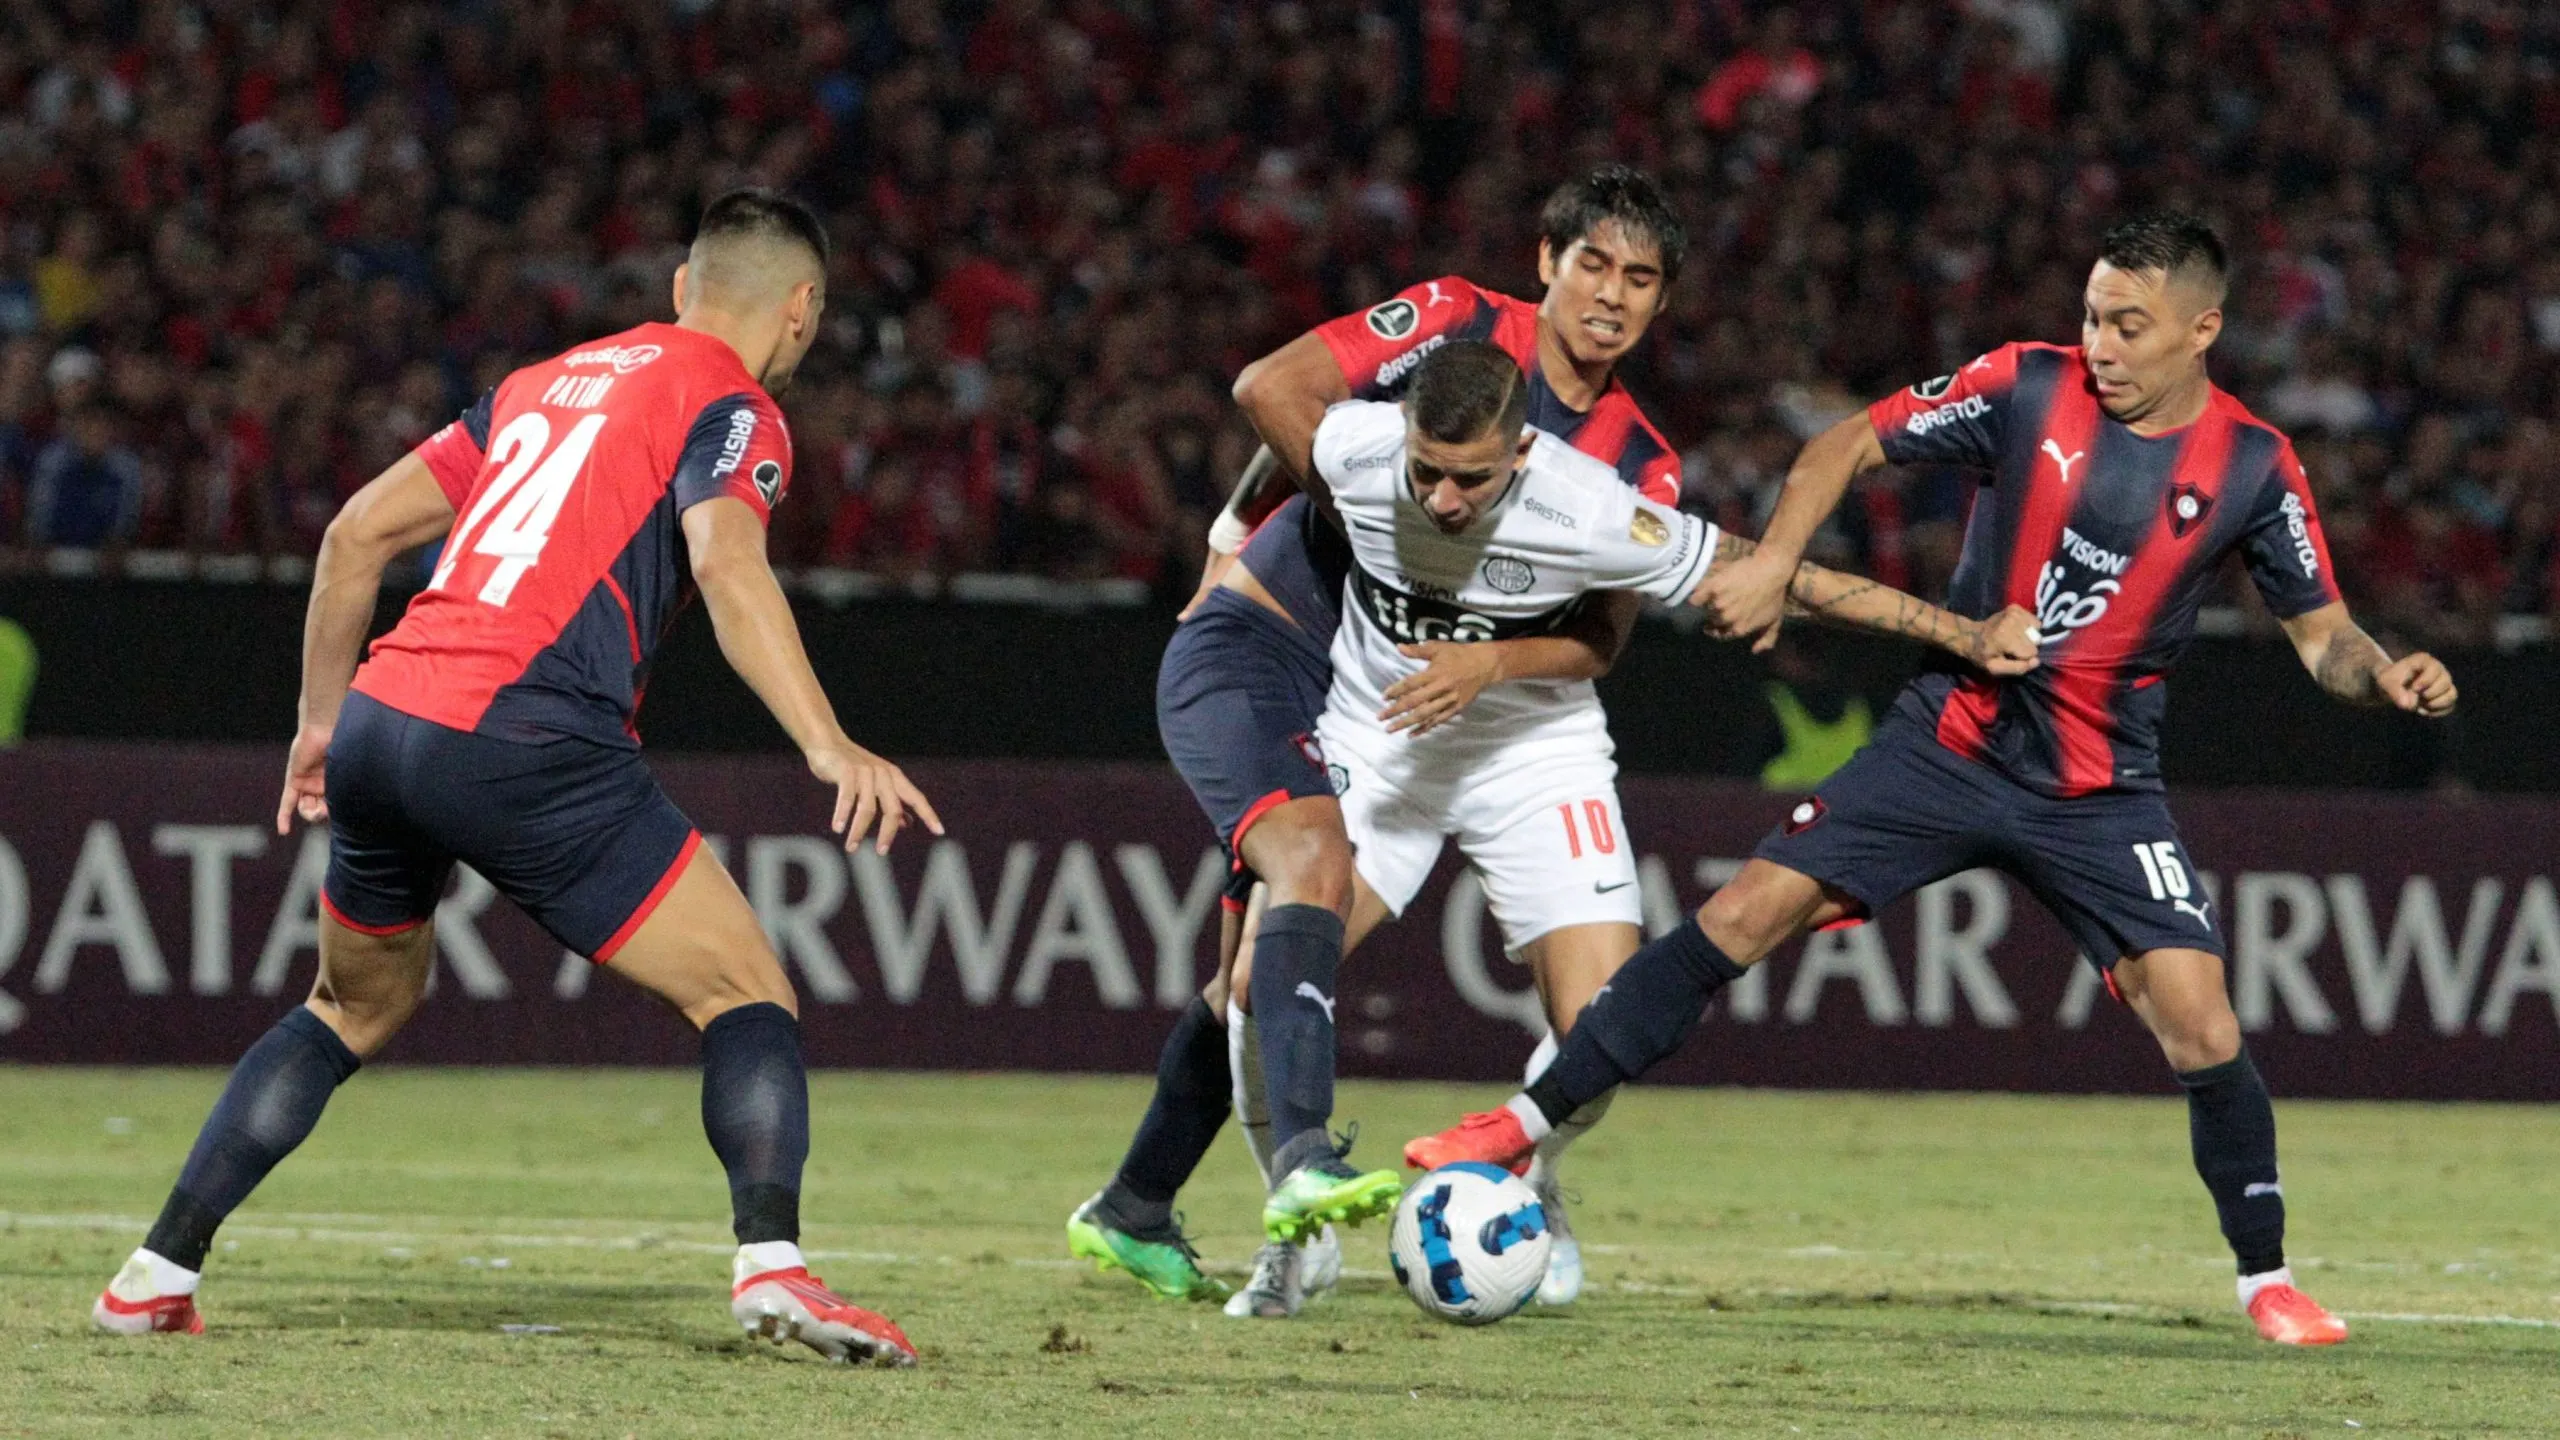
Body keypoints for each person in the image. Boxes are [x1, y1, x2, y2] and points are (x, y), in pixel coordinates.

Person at [1404, 213, 2459, 1348]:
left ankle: (2267, 1282)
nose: (2098, 344)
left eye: (2128, 325)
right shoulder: (2025, 385)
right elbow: (1844, 445)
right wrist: (1773, 565)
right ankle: (1517, 1126)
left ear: (2201, 331)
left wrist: (2383, 674)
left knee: (2200, 1022)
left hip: (2099, 786)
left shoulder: (2253, 465)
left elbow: (2323, 636)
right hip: (1944, 745)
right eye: (2092, 316)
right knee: (1742, 914)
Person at [92, 190, 941, 1368]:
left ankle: (154, 1277)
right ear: (801, 310)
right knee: (747, 995)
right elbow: (726, 561)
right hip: (524, 732)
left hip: (385, 718)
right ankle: (773, 1268)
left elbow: (352, 536)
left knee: (350, 1006)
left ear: (680, 288)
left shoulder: (542, 383)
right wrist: (826, 742)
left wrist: (319, 724)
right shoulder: (733, 407)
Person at [1069, 167, 1697, 1317]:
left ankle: (1523, 1176)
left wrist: (1490, 665)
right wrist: (1232, 535)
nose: (1611, 295)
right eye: (1594, 264)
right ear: (1546, 261)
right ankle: (1285, 1224)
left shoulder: (1639, 460)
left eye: (1640, 278)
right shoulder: (1450, 324)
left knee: (1605, 1026)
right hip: (1385, 710)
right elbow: (1294, 406)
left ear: (1661, 301)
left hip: (1528, 736)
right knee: (1257, 980)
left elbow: (1600, 642)